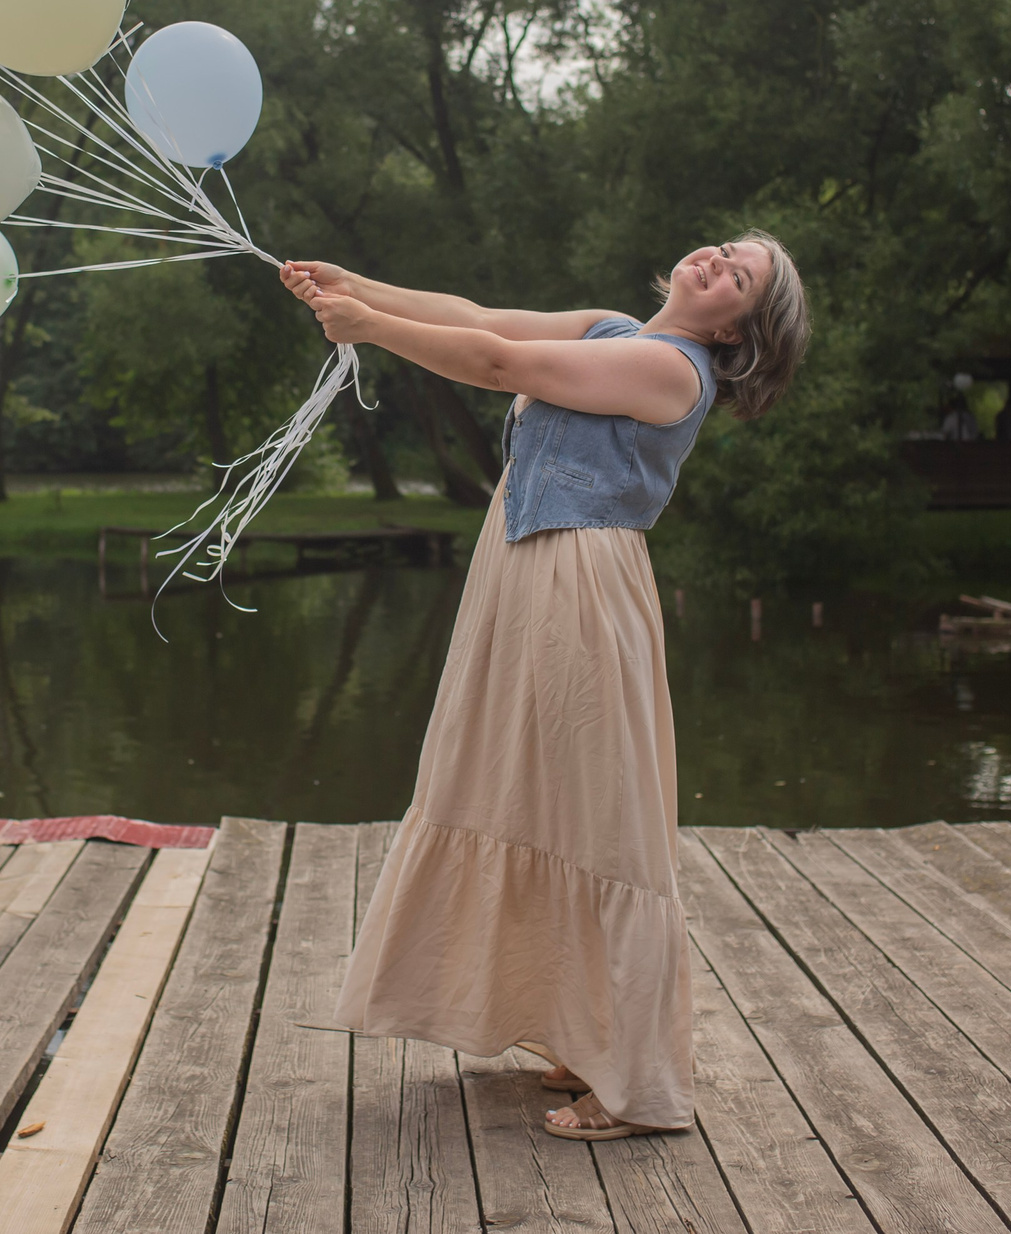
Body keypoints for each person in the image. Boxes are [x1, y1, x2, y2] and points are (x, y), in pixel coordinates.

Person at [281, 234, 810, 1142]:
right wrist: (358, 284)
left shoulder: (675, 371)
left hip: (582, 580)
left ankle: (638, 1085)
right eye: (724, 248)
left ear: (737, 331)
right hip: (521, 567)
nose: (718, 262)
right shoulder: (612, 328)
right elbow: (478, 318)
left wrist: (368, 327)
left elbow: (496, 362)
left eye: (741, 277)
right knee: (526, 795)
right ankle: (577, 1032)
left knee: (599, 816)